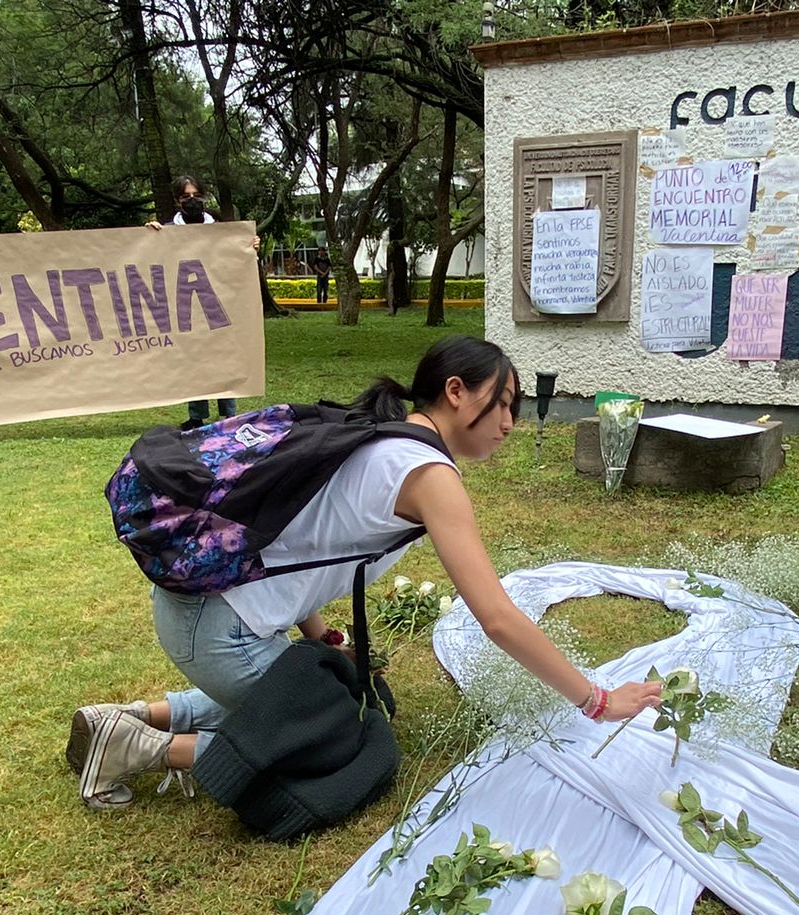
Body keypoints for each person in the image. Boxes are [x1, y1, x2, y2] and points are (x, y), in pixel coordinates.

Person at [69, 334, 663, 807]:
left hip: (196, 611)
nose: (509, 421)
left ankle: (133, 717)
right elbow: (499, 619)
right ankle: (137, 748)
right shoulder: (429, 476)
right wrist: (597, 700)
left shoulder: (375, 437)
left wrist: (325, 640)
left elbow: (294, 543)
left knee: (349, 687)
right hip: (219, 634)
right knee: (350, 732)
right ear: (456, 392)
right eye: (501, 402)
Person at [146, 175, 237, 429]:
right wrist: (148, 236)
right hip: (185, 303)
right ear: (178, 201)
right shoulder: (166, 231)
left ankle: (228, 413)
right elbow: (151, 259)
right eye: (186, 196)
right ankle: (197, 415)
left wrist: (250, 245)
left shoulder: (220, 228)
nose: (192, 200)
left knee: (223, 356)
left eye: (196, 195)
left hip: (219, 300)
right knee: (193, 358)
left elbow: (236, 257)